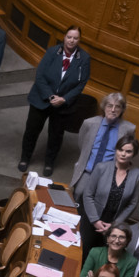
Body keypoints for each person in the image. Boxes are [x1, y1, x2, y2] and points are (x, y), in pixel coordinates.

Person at [19, 25, 91, 177]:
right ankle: (25, 158)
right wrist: (50, 96)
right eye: (69, 37)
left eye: (75, 38)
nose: (72, 41)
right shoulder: (52, 52)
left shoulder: (84, 58)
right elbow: (40, 76)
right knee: (32, 130)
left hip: (63, 105)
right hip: (41, 99)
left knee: (56, 135)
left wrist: (64, 99)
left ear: (79, 40)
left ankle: (49, 162)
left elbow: (81, 84)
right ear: (64, 37)